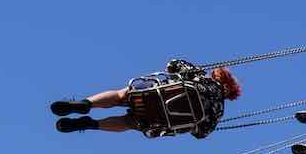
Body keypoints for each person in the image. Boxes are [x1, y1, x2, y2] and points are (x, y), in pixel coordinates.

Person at [52, 59, 241, 137]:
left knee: (121, 95)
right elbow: (201, 133)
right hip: (158, 120)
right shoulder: (219, 112)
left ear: (218, 77)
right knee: (129, 123)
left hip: (150, 95)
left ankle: (86, 104)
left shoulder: (200, 77)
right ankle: (90, 124)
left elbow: (173, 64)